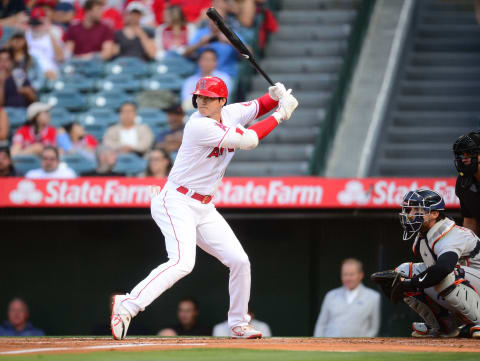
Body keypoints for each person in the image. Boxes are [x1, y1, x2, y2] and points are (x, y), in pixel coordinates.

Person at [110, 76, 298, 340]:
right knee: (182, 262)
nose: (202, 101)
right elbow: (250, 140)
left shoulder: (230, 113)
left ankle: (238, 323)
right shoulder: (198, 126)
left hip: (204, 206)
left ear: (222, 100)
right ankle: (127, 304)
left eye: (209, 98)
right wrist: (281, 114)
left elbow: (258, 106)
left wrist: (275, 97)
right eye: (200, 96)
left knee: (240, 261)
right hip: (176, 200)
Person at [384, 189, 480, 338]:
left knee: (443, 275)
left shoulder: (451, 235)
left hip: (473, 281)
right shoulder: (424, 236)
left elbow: (443, 268)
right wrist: (406, 282)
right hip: (470, 285)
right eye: (410, 210)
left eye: (418, 210)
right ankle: (444, 326)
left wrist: (411, 284)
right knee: (402, 273)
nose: (410, 215)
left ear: (435, 214)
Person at [313, 258, 380, 337]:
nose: (348, 278)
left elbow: (373, 328)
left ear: (361, 275)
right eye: (345, 274)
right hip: (330, 346)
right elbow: (321, 324)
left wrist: (362, 345)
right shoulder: (330, 296)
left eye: (351, 274)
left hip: (358, 347)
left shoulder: (373, 297)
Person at [184, 9, 241, 77]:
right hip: (202, 75)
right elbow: (185, 52)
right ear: (208, 20)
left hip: (226, 75)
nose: (215, 22)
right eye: (212, 18)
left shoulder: (231, 34)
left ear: (224, 20)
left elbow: (249, 53)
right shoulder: (201, 33)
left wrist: (230, 42)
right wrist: (200, 43)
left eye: (218, 18)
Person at [25, 7, 65, 81]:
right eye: (34, 22)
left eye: (38, 22)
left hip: (49, 72)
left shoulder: (52, 34)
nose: (36, 26)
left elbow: (61, 58)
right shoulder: (27, 33)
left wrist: (48, 30)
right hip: (30, 70)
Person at [453, 131, 480, 236]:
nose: (464, 158)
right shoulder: (463, 182)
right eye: (462, 154)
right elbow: (470, 222)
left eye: (471, 153)